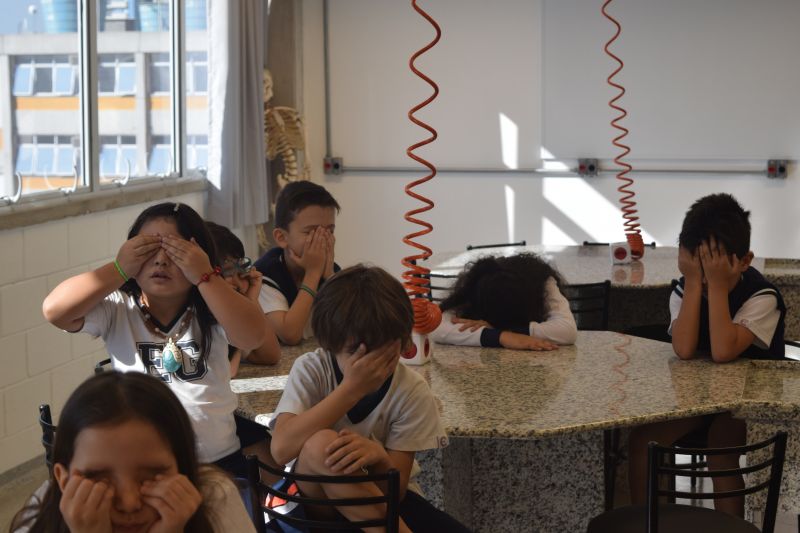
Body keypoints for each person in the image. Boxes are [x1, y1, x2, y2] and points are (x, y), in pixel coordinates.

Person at [42, 202, 270, 478]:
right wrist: (119, 268)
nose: (160, 261)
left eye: (175, 251)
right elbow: (55, 311)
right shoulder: (118, 308)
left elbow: (253, 336)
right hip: (141, 464)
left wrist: (205, 276)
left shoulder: (212, 304)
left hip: (215, 461)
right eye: (146, 250)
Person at [269, 265, 469, 533]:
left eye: (382, 353)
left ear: (402, 344)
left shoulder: (411, 390)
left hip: (380, 503)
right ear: (330, 344)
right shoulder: (313, 369)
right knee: (321, 445)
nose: (369, 367)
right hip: (314, 507)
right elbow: (281, 449)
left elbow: (396, 492)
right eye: (357, 353)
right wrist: (352, 389)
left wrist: (379, 459)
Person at [628, 193, 786, 517]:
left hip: (751, 403)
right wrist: (694, 282)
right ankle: (644, 524)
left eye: (714, 265)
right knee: (642, 440)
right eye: (697, 265)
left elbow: (724, 351)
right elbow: (684, 350)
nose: (704, 275)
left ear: (744, 261)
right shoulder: (685, 289)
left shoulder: (763, 297)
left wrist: (715, 286)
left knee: (720, 449)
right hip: (701, 399)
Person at [10, 372, 256, 533]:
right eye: (98, 478)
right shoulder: (39, 520)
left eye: (153, 475)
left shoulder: (216, 500)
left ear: (184, 467)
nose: (129, 504)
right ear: (63, 480)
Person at [430, 253, 577, 350]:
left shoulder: (542, 280)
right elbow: (435, 327)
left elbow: (567, 331)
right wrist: (503, 337)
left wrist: (501, 329)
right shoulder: (478, 282)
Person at [254, 181, 339, 345]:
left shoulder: (330, 270)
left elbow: (355, 324)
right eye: (311, 232)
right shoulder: (263, 276)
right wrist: (313, 273)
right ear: (282, 237)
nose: (321, 239)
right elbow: (290, 334)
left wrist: (329, 276)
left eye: (329, 231)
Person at [206, 221, 281, 369]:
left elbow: (270, 355)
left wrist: (251, 300)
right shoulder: (197, 321)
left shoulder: (232, 316)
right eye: (228, 273)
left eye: (240, 273)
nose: (239, 284)